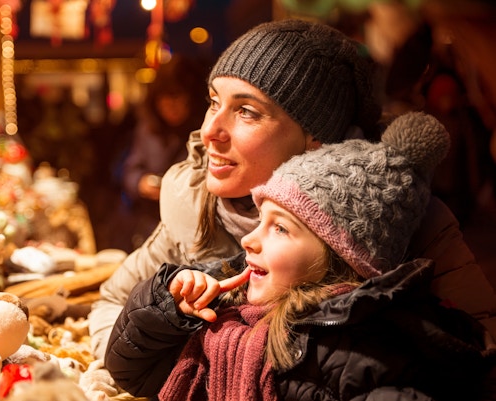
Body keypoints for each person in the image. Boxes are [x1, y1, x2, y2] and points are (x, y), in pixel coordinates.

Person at [85, 18, 496, 395]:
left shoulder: (398, 215)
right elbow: (112, 305)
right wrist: (200, 371)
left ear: (316, 138)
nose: (209, 130)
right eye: (214, 101)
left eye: (246, 111)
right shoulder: (195, 204)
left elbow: (482, 356)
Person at [110, 54, 209, 252]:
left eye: (177, 96)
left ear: (191, 98)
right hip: (148, 225)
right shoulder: (148, 129)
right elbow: (130, 170)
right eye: (164, 97)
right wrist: (141, 183)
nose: (170, 105)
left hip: (193, 228)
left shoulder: (206, 132)